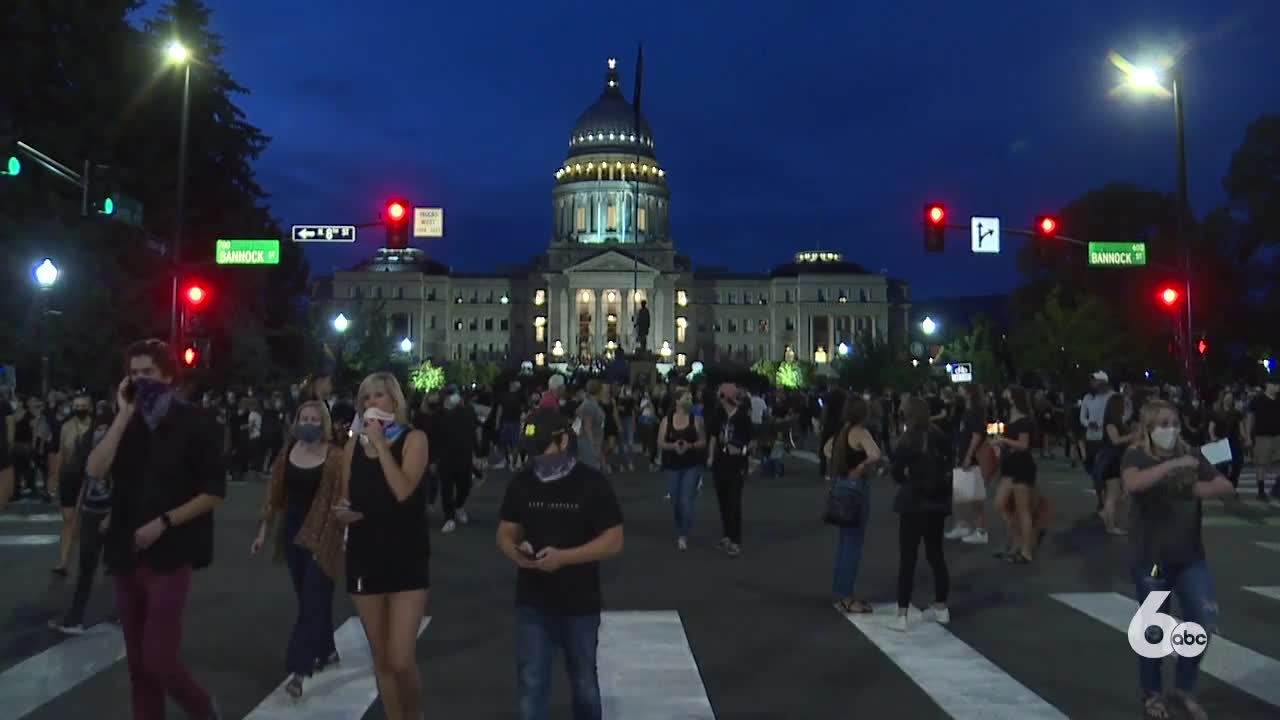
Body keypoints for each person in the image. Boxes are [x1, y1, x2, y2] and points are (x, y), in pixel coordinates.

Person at [87, 339, 226, 720]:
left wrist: (164, 523)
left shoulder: (196, 421)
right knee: (138, 668)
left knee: (158, 659)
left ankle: (202, 708)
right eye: (133, 373)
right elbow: (95, 469)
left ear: (168, 375)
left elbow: (214, 492)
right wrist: (121, 417)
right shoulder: (121, 419)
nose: (140, 380)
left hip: (171, 551)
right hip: (124, 552)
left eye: (148, 372)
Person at [496, 408, 624, 720]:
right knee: (532, 683)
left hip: (579, 601)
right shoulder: (522, 483)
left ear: (563, 440)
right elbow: (505, 532)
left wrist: (564, 557)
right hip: (532, 600)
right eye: (532, 452)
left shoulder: (592, 484)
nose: (538, 458)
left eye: (543, 449)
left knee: (584, 684)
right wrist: (516, 551)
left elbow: (614, 540)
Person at [1121, 399, 1233, 720]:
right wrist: (1172, 467)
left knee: (1203, 620)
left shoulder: (1193, 454)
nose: (1170, 429)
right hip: (1151, 558)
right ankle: (1152, 694)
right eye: (1163, 424)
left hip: (1190, 556)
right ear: (1149, 428)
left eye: (1174, 422)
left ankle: (1183, 690)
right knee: (1154, 631)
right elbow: (1133, 484)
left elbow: (1224, 484)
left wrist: (1190, 488)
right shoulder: (1136, 455)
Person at [333, 372, 431, 720]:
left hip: (406, 554)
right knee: (381, 657)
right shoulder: (350, 447)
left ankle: (414, 715)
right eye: (365, 399)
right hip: (364, 553)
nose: (371, 404)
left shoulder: (414, 439)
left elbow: (403, 490)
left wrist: (379, 447)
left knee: (401, 658)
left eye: (378, 396)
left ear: (394, 401)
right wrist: (343, 514)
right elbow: (347, 496)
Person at [251, 401, 345, 699]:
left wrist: (342, 535)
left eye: (314, 419)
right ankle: (327, 649)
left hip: (324, 531)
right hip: (292, 532)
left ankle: (300, 669)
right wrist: (263, 531)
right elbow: (275, 493)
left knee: (313, 600)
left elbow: (342, 497)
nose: (308, 422)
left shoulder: (336, 457)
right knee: (309, 596)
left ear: (324, 423)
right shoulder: (288, 452)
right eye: (303, 417)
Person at [49, 405, 116, 635]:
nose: (100, 432)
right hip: (90, 512)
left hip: (109, 513)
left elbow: (125, 485)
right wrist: (78, 515)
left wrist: (112, 515)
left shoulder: (118, 450)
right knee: (86, 570)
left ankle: (122, 614)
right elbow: (85, 485)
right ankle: (75, 617)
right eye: (98, 428)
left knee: (120, 569)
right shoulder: (91, 454)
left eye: (105, 427)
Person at [890, 397, 952, 631]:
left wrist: (908, 473)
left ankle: (902, 613)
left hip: (912, 503)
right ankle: (941, 606)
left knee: (908, 559)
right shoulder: (940, 436)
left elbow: (896, 473)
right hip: (936, 503)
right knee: (936, 556)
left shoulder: (908, 439)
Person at [825, 396, 881, 614]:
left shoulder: (841, 432)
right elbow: (876, 454)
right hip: (856, 487)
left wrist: (840, 465)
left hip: (840, 485)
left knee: (844, 544)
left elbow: (827, 449)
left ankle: (841, 592)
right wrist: (860, 467)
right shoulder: (860, 432)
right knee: (853, 545)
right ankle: (848, 597)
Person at [707, 383, 754, 558]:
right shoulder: (718, 415)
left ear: (726, 398)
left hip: (736, 464)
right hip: (720, 463)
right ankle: (726, 535)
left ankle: (735, 540)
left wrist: (741, 450)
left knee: (734, 501)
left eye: (720, 396)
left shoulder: (742, 417)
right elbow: (712, 437)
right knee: (723, 501)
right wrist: (711, 456)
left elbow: (752, 442)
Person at [657, 388, 707, 551]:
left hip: (692, 464)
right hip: (672, 464)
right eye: (686, 398)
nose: (689, 401)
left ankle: (683, 535)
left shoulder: (697, 419)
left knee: (686, 500)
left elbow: (703, 441)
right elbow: (660, 443)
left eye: (690, 398)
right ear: (677, 401)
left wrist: (690, 445)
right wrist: (673, 446)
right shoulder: (667, 420)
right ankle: (681, 523)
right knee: (676, 500)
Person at [1245, 378, 1280, 504]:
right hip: (1262, 436)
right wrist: (1248, 436)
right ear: (1268, 385)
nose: (1278, 387)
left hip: (1278, 436)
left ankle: (1277, 489)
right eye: (1275, 384)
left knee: (1278, 463)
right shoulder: (1258, 400)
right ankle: (1261, 491)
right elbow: (1250, 418)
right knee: (1261, 464)